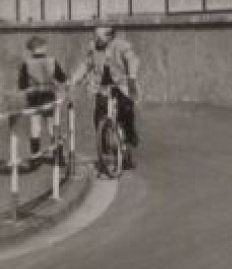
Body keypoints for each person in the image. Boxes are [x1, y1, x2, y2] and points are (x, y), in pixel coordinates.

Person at [72, 25, 142, 167]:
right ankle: (103, 145)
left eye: (99, 36)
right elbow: (86, 64)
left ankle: (129, 139)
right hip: (102, 86)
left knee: (126, 112)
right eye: (95, 36)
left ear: (110, 36)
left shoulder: (122, 46)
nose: (96, 39)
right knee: (99, 113)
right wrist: (74, 79)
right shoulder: (93, 48)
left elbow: (133, 60)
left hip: (121, 85)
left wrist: (132, 76)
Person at [16, 35, 68, 166]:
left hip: (34, 99)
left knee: (35, 129)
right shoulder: (52, 61)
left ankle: (35, 158)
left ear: (31, 49)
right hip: (49, 98)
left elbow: (22, 85)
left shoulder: (26, 64)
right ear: (44, 47)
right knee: (53, 128)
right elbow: (62, 78)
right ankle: (59, 157)